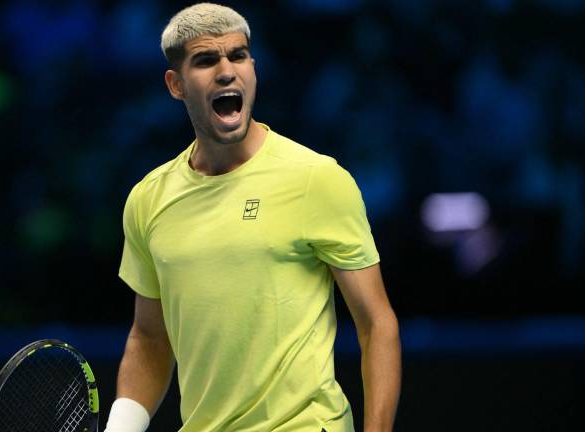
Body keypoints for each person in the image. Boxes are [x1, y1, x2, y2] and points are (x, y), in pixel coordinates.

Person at [105, 3, 401, 431]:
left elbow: (377, 324)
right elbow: (150, 337)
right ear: (176, 85)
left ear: (254, 69)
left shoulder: (316, 179)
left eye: (238, 55)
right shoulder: (148, 199)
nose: (227, 71)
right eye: (206, 60)